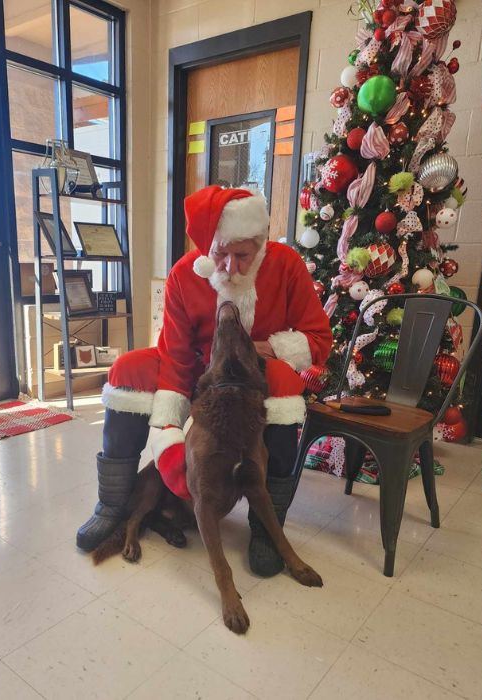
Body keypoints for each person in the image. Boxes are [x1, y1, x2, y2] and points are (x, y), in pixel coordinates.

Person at [76, 185, 332, 577]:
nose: (229, 267)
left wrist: (262, 348)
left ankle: (266, 526)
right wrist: (168, 435)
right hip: (198, 368)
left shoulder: (287, 265)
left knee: (284, 385)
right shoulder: (185, 273)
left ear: (260, 244)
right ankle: (113, 505)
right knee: (128, 368)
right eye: (220, 255)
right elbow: (176, 356)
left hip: (256, 372)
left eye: (242, 255)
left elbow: (318, 340)